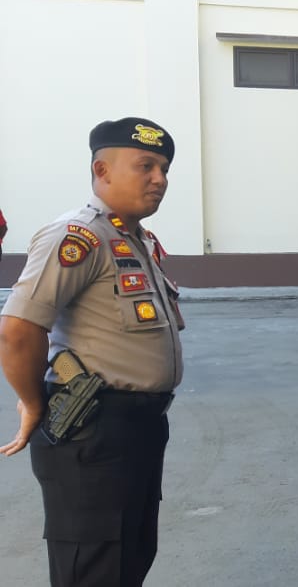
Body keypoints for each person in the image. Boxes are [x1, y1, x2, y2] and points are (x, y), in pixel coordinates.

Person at [0, 117, 184, 587]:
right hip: (93, 432)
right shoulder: (76, 235)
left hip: (140, 430)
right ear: (102, 170)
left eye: (164, 168)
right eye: (146, 166)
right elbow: (18, 329)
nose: (160, 179)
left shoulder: (135, 239)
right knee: (94, 568)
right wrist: (33, 402)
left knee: (129, 560)